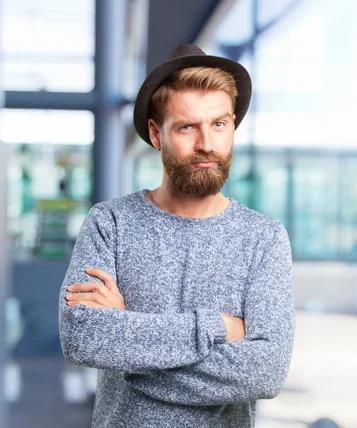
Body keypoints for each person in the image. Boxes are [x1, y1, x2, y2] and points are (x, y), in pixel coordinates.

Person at [59, 44, 294, 428]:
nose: (206, 143)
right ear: (156, 133)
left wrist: (128, 342)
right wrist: (219, 327)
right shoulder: (111, 223)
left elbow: (264, 372)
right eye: (187, 126)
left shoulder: (263, 239)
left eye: (219, 124)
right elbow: (84, 338)